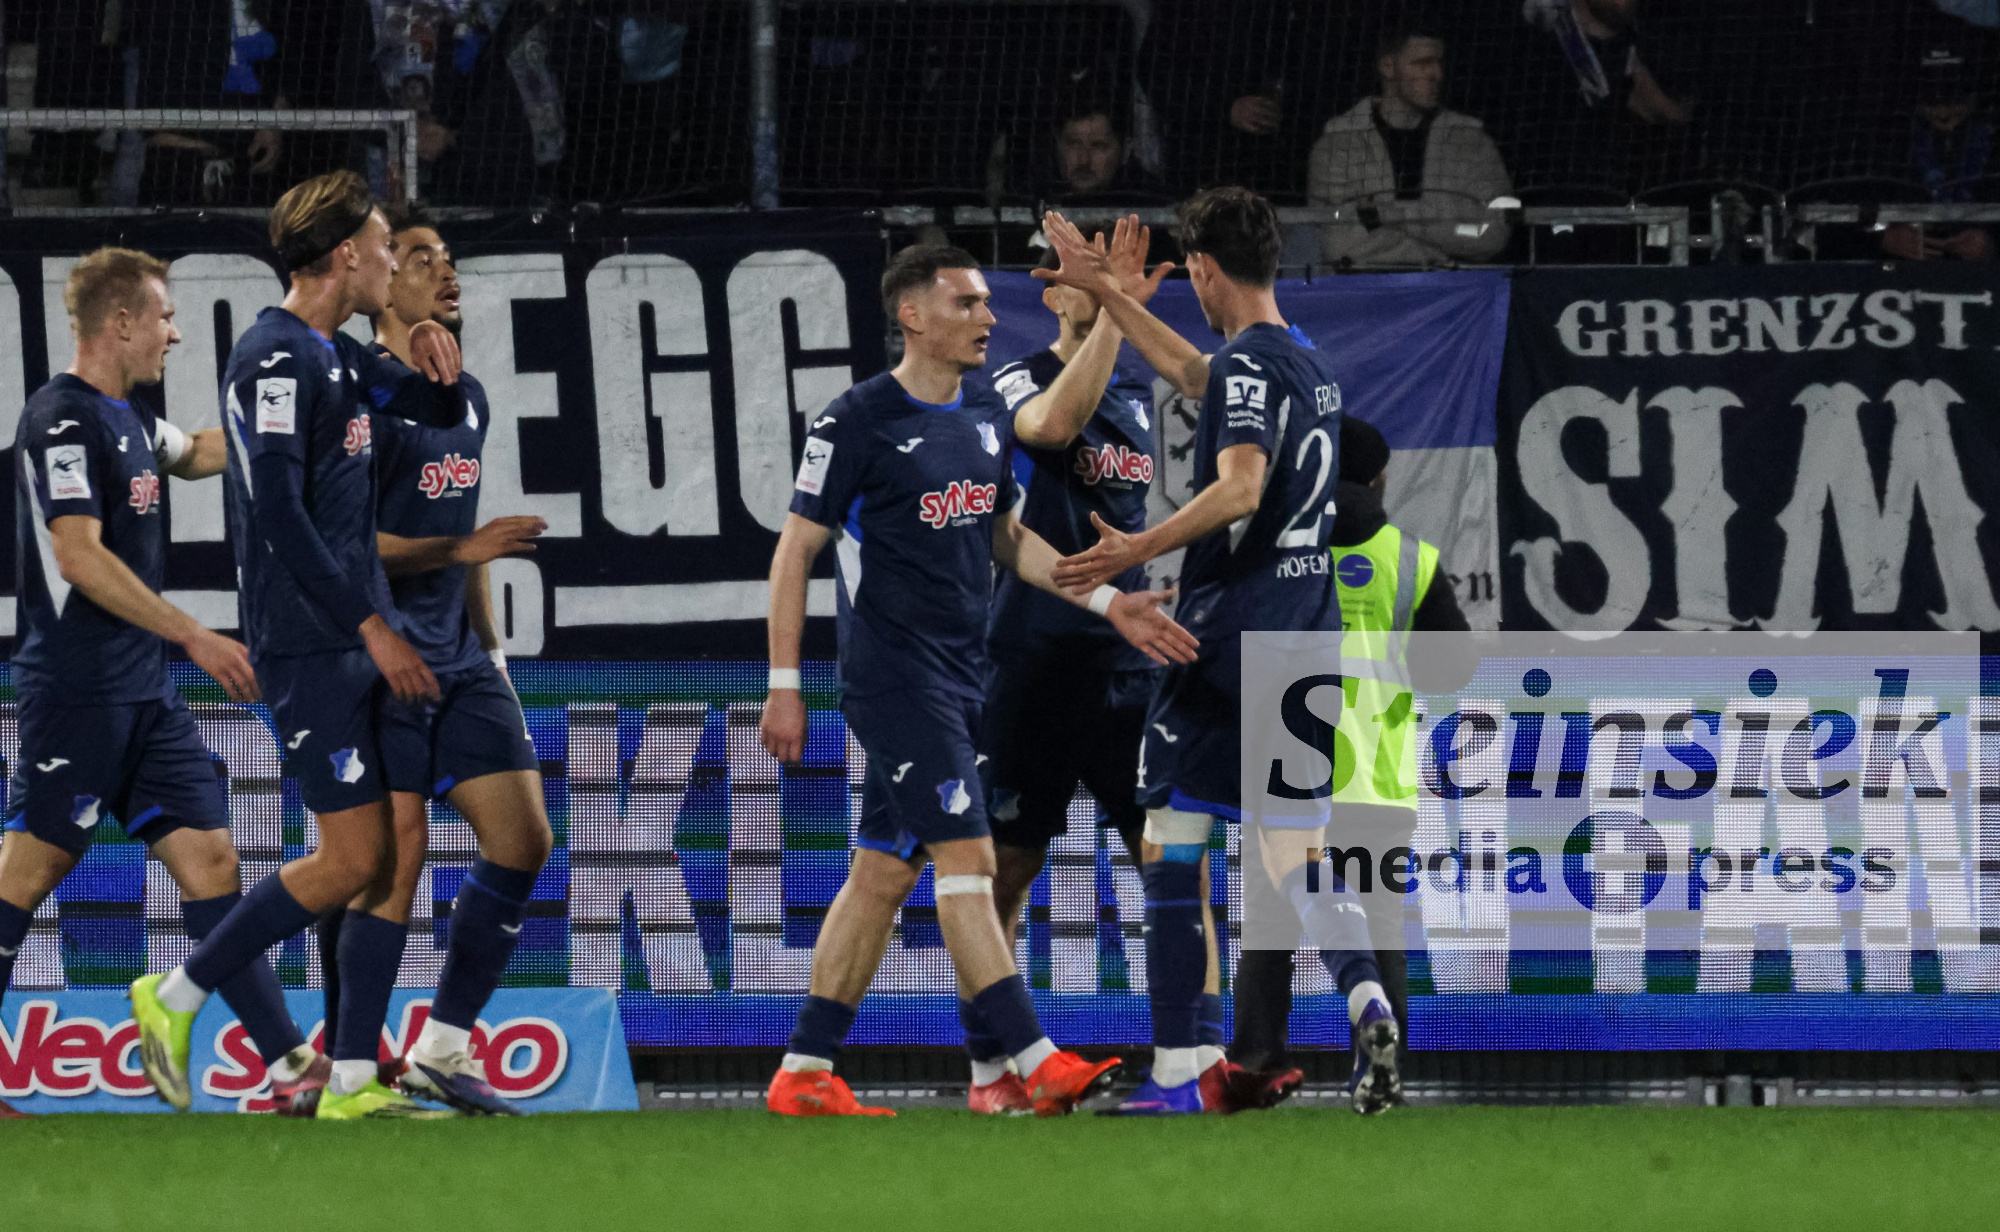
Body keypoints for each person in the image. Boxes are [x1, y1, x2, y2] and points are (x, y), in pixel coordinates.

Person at [758, 243, 1200, 1118]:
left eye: (987, 303)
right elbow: (795, 550)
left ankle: (803, 1069)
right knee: (969, 859)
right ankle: (1032, 1060)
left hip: (965, 677)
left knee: (882, 874)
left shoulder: (984, 415)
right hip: (895, 679)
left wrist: (1108, 601)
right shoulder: (856, 420)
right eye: (966, 303)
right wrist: (784, 682)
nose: (988, 318)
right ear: (912, 316)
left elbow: (1009, 538)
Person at [1034, 187, 1392, 1116]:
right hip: (1306, 634)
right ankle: (1366, 996)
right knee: (1294, 850)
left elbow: (1239, 488)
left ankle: (1176, 1075)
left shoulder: (1247, 368)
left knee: (1171, 842)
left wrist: (1136, 546)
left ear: (1200, 269)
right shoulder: (1305, 360)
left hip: (1225, 634)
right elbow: (1197, 374)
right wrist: (1111, 297)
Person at [129, 169, 465, 1121]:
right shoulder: (274, 358)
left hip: (355, 635)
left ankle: (348, 1081)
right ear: (346, 254)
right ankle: (178, 993)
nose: (394, 260)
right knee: (352, 858)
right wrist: (372, 626)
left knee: (379, 852)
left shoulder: (340, 355)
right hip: (309, 643)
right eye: (386, 244)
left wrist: (435, 358)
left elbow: (436, 412)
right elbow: (276, 512)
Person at [0, 249, 321, 1119]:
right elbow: (77, 555)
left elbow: (201, 451)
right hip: (77, 691)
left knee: (213, 860)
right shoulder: (61, 419)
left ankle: (290, 1066)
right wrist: (193, 634)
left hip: (144, 696)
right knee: (25, 877)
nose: (175, 334)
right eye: (165, 317)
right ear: (122, 323)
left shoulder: (132, 418)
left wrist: (294, 428)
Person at [310, 201, 552, 1116]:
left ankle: (442, 1051)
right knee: (383, 859)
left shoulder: (468, 394)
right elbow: (347, 546)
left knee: (524, 840)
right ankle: (346, 1065)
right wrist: (460, 550)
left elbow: (465, 531)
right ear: (381, 282)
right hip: (376, 657)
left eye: (448, 257)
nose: (445, 272)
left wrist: (493, 656)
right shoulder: (357, 397)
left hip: (461, 660)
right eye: (419, 257)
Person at [960, 218, 1160, 1113]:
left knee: (1170, 863)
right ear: (1052, 291)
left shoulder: (1140, 393)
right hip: (1032, 659)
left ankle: (1190, 1057)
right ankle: (996, 1070)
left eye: (1106, 272)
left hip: (1126, 664)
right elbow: (1053, 426)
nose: (1097, 282)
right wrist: (1116, 307)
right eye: (1084, 272)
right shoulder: (1013, 376)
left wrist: (1113, 312)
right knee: (1006, 871)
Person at [1227, 416, 1469, 1106]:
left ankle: (1256, 1063)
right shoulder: (1412, 560)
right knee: (1378, 927)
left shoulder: (1277, 550)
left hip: (1285, 769)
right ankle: (1377, 1068)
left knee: (1272, 928)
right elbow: (1450, 669)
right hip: (1377, 779)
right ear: (1381, 476)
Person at [1309, 28, 1513, 268]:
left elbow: (1492, 234)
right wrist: (1439, 250)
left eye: (1439, 63)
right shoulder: (1338, 146)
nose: (1437, 74)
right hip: (1365, 287)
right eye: (1422, 63)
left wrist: (1389, 216)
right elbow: (1340, 245)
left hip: (1453, 287)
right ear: (1388, 67)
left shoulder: (1473, 143)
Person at [1882, 43, 1995, 262]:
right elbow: (1832, 231)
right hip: (1900, 273)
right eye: (1931, 100)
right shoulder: (1888, 147)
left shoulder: (1994, 146)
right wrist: (1883, 239)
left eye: (1954, 99)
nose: (1943, 112)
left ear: (1973, 96)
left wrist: (1991, 244)